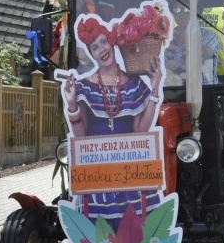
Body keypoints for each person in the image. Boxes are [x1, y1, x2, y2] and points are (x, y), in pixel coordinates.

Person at [61, 16, 164, 227]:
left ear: (112, 43)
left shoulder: (135, 85)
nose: (101, 49)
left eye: (103, 42)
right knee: (101, 242)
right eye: (94, 47)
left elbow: (140, 130)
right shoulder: (83, 87)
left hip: (131, 177)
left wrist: (154, 88)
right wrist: (72, 105)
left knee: (136, 242)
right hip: (98, 177)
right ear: (91, 54)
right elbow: (82, 137)